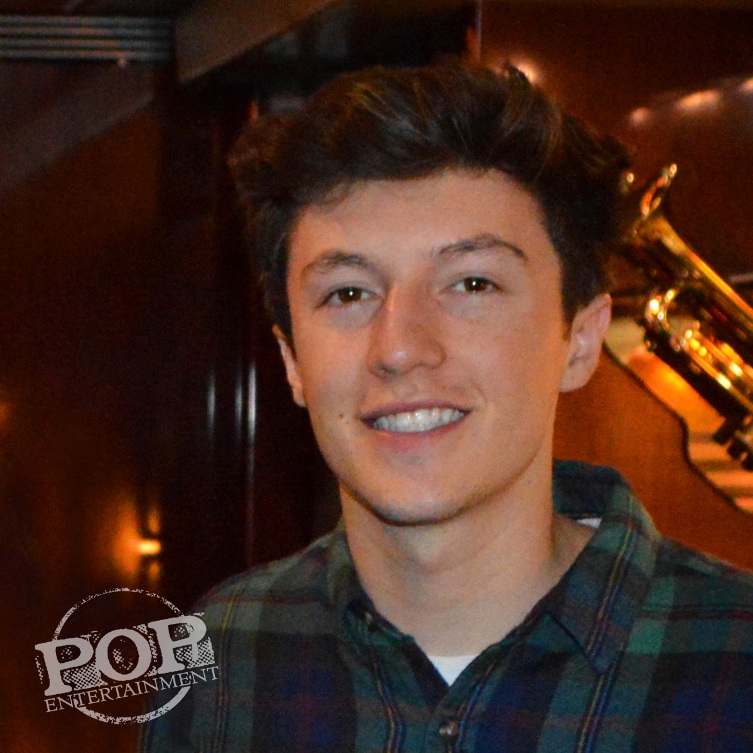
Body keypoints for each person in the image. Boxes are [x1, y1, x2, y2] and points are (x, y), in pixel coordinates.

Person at [142, 62, 753, 752]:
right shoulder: (216, 662)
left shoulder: (733, 663)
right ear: (291, 362)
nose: (400, 348)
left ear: (580, 340)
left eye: (471, 284)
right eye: (348, 293)